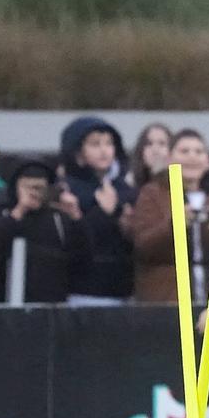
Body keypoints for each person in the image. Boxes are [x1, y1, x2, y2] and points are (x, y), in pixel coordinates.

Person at [126, 129, 209, 304]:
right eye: (184, 151)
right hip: (167, 300)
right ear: (169, 158)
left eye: (199, 152)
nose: (192, 157)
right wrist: (174, 225)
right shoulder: (152, 194)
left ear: (208, 161)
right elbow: (143, 246)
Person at [58, 116, 136, 305]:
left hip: (123, 291)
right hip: (82, 290)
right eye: (95, 144)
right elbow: (74, 241)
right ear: (78, 152)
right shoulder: (68, 190)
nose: (104, 150)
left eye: (109, 144)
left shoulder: (126, 190)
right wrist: (102, 212)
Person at [0, 161, 85, 303]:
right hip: (6, 300)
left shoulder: (57, 218)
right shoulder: (3, 213)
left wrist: (76, 217)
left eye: (39, 188)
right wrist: (19, 211)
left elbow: (82, 255)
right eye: (28, 188)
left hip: (51, 304)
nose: (34, 193)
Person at [129, 123, 173, 189]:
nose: (155, 150)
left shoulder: (178, 182)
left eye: (162, 143)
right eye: (149, 144)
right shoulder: (130, 182)